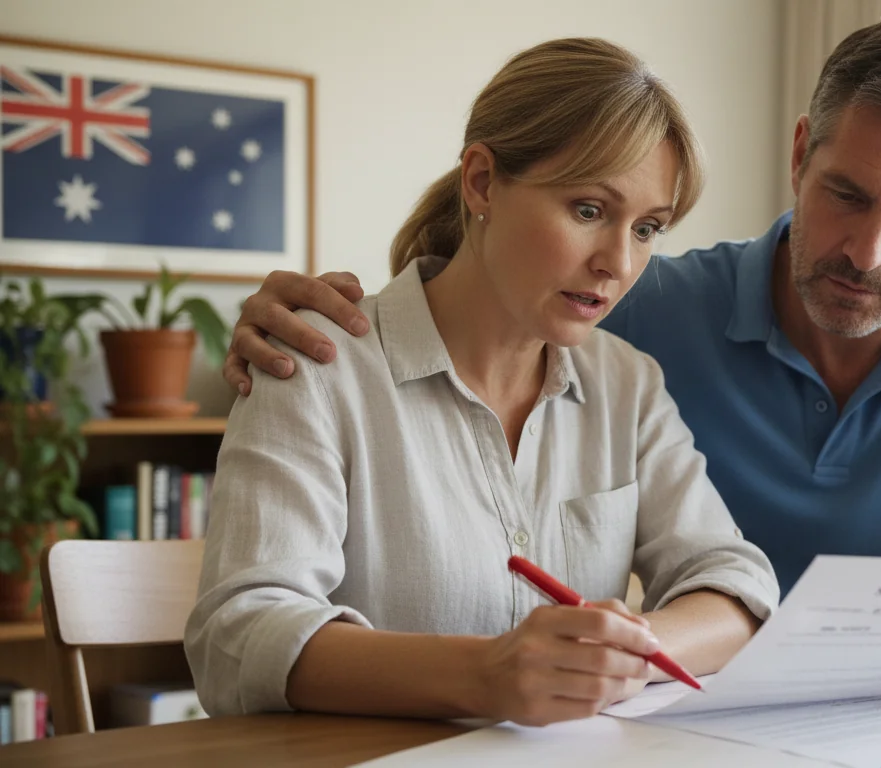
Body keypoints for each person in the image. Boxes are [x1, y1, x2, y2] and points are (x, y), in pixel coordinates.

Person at [222, 16, 881, 703]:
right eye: (847, 195)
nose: (866, 252)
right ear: (799, 154)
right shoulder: (633, 310)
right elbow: (463, 299)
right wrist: (280, 320)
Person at [185, 37, 778, 726]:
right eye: (589, 210)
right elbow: (235, 637)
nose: (618, 261)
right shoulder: (317, 364)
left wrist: (627, 654)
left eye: (647, 228)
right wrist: (484, 674)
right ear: (482, 182)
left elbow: (737, 588)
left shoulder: (628, 384)